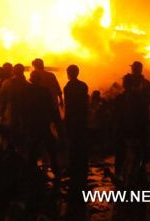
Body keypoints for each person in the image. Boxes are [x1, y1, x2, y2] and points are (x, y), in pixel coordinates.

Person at [114, 74, 148, 186]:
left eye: (124, 81)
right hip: (133, 131)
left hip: (129, 131)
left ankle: (128, 180)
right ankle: (132, 179)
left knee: (130, 156)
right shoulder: (138, 97)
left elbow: (122, 115)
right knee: (133, 156)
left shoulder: (128, 97)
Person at [63, 65, 89, 198]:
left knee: (73, 144)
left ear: (69, 73)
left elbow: (68, 105)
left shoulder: (68, 87)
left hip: (73, 119)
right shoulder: (83, 85)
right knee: (81, 143)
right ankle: (82, 165)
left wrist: (66, 121)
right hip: (82, 119)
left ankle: (74, 167)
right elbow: (85, 103)